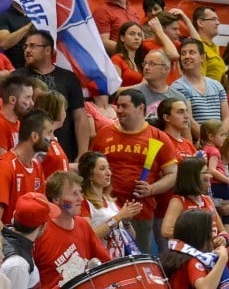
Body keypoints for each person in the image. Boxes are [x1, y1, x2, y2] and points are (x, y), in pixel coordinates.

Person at [90, 90, 177, 252]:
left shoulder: (158, 137)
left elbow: (173, 173)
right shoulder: (104, 134)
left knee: (138, 260)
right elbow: (90, 167)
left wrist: (151, 189)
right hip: (105, 211)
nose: (119, 110)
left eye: (125, 106)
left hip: (140, 213)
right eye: (118, 106)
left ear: (140, 108)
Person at [11, 30, 88, 161]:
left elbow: (79, 116)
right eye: (26, 46)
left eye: (33, 46)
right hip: (29, 151)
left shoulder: (68, 77)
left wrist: (82, 153)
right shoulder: (17, 77)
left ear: (47, 50)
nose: (27, 50)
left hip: (63, 149)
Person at [0, 109, 52, 231]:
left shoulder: (36, 166)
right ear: (34, 136)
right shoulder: (4, 167)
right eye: (49, 133)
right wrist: (19, 242)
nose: (53, 138)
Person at [32, 171, 110, 289]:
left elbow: (105, 262)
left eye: (80, 192)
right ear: (56, 199)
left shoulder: (82, 224)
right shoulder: (40, 232)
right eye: (74, 194)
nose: (81, 199)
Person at [76, 151, 142, 257]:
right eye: (102, 169)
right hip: (102, 264)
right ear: (89, 174)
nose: (109, 173)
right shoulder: (83, 203)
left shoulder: (110, 201)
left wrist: (126, 222)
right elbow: (89, 237)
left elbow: (131, 238)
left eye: (108, 168)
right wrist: (118, 217)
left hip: (119, 260)